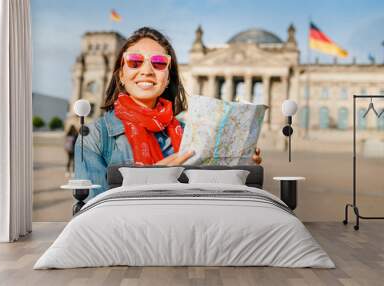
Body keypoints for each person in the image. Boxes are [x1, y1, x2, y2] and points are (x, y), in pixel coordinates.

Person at [74, 27, 261, 199]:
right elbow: (92, 213)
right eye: (134, 62)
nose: (146, 71)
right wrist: (152, 180)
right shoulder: (94, 138)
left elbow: (214, 198)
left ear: (168, 77)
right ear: (121, 75)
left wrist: (238, 169)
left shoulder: (192, 134)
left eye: (159, 63)